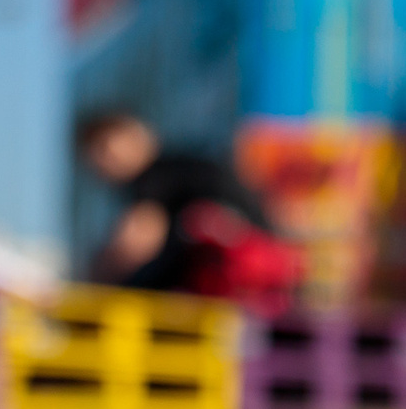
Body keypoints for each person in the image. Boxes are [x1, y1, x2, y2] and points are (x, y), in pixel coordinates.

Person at [75, 110, 287, 298]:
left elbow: (136, 241)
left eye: (105, 151)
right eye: (98, 160)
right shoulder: (185, 160)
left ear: (136, 132)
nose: (106, 162)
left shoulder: (153, 181)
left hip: (247, 269)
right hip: (266, 255)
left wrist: (95, 276)